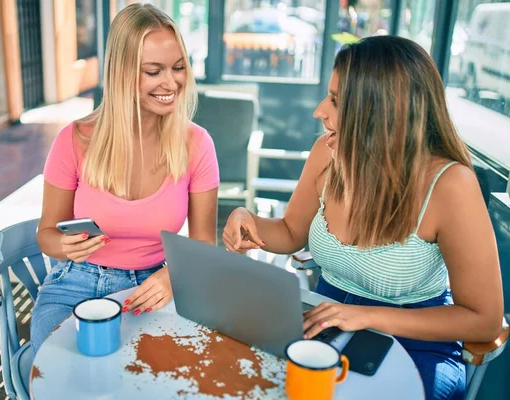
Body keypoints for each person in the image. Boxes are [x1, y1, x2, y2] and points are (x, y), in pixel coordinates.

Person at [222, 36, 503, 400]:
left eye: (336, 101)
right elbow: (292, 232)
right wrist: (249, 219)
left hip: (417, 339)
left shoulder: (450, 184)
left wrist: (366, 316)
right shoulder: (327, 152)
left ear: (381, 110)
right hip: (324, 320)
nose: (319, 111)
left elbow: (484, 319)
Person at [31, 3, 219, 354]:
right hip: (75, 284)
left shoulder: (197, 144)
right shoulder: (74, 140)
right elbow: (47, 234)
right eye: (154, 71)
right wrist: (64, 246)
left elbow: (204, 243)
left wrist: (175, 276)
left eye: (178, 68)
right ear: (122, 73)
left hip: (154, 285)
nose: (171, 82)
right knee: (58, 375)